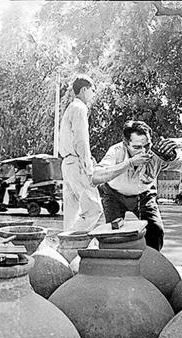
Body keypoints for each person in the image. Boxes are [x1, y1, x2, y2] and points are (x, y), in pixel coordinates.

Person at [92, 120, 182, 251]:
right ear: (126, 144)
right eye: (137, 147)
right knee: (114, 237)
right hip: (114, 194)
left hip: (143, 196)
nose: (144, 151)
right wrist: (130, 163)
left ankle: (150, 263)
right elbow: (96, 177)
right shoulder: (116, 151)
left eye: (147, 145)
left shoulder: (156, 154)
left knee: (156, 231)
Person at [58, 74, 103, 232]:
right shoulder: (80, 108)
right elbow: (81, 139)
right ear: (84, 90)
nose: (93, 94)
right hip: (77, 163)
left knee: (72, 213)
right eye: (92, 90)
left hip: (68, 163)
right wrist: (88, 166)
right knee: (94, 209)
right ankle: (72, 239)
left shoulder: (71, 108)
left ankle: (68, 248)